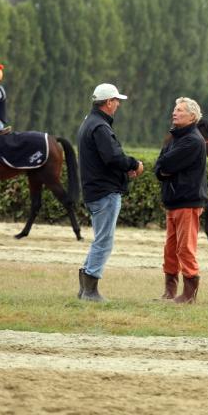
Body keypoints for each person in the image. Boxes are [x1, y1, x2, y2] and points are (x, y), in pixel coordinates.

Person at [77, 83, 144, 302]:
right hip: (104, 192)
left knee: (100, 239)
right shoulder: (101, 127)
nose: (118, 105)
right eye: (117, 101)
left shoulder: (90, 122)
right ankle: (90, 290)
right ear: (108, 103)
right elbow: (113, 157)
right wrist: (134, 164)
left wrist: (124, 174)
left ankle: (84, 287)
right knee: (104, 241)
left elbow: (103, 160)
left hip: (95, 189)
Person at [155, 97, 207, 304]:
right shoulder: (174, 138)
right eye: (174, 109)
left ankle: (188, 294)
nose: (174, 113)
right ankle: (170, 291)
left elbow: (166, 163)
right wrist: (163, 168)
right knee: (170, 249)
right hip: (173, 201)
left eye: (180, 111)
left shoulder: (193, 140)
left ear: (192, 116)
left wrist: (163, 167)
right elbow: (160, 167)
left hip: (188, 201)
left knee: (185, 248)